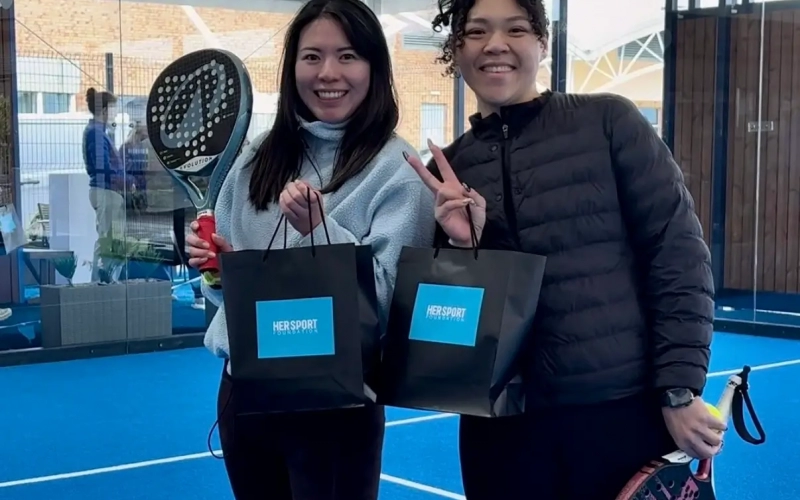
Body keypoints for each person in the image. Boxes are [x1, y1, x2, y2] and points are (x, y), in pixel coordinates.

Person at [404, 0, 722, 498]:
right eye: (477, 32)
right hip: (501, 432)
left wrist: (680, 391)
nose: (495, 45)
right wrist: (468, 247)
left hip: (620, 414)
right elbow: (456, 321)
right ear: (456, 48)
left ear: (542, 42)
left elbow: (678, 257)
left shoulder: (609, 122)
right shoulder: (450, 170)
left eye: (515, 29)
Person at [185, 0, 435, 498]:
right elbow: (228, 293)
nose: (328, 74)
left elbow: (388, 304)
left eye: (347, 56)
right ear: (292, 67)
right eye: (312, 56)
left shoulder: (399, 169)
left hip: (335, 403)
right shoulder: (257, 157)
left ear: (374, 67)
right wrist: (216, 266)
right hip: (243, 393)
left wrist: (321, 232)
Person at [82, 88, 127, 282]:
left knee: (110, 239)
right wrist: (124, 180)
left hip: (105, 190)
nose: (116, 113)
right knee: (106, 239)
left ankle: (106, 280)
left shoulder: (97, 132)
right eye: (114, 108)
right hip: (106, 191)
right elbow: (102, 167)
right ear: (105, 110)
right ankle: (99, 282)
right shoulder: (96, 133)